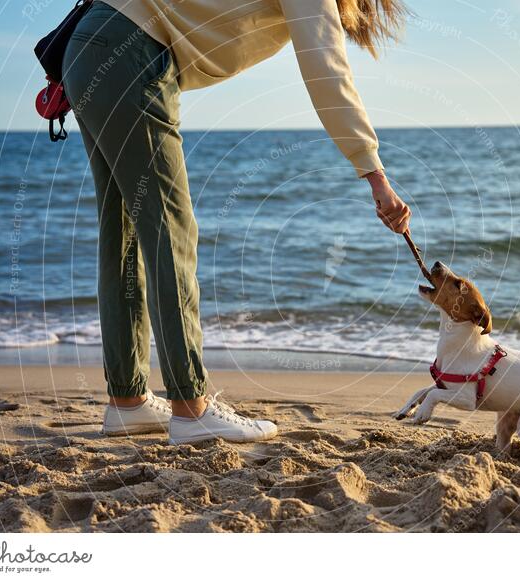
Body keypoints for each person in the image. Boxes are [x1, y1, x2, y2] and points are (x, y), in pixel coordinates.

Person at [62, 0, 412, 445]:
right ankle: (191, 408)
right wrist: (374, 174)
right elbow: (328, 72)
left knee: (124, 230)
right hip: (130, 52)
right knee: (172, 228)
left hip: (92, 46)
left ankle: (127, 402)